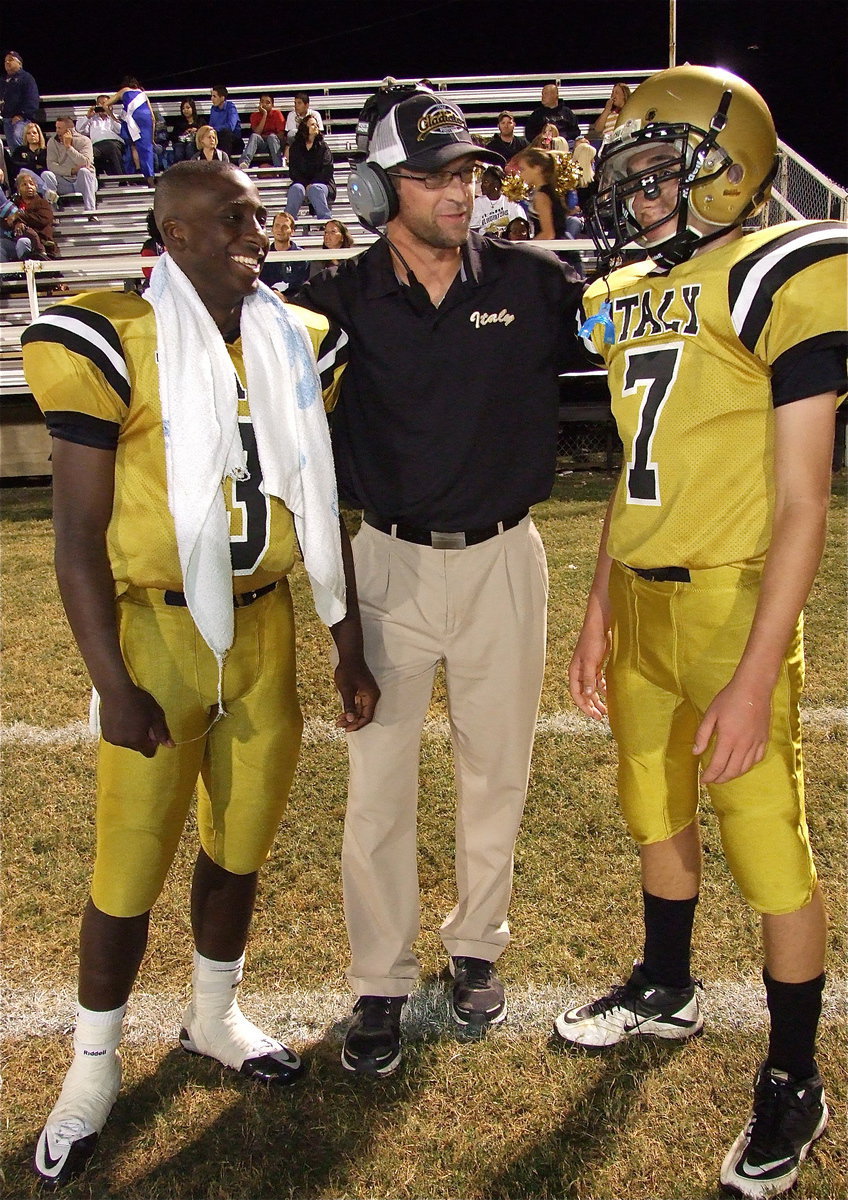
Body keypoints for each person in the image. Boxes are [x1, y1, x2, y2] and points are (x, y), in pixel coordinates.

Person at [22, 158, 379, 1190]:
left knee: (240, 850)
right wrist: (113, 679)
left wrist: (345, 640)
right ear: (172, 235)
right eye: (231, 219)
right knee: (126, 871)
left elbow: (317, 501)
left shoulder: (293, 336)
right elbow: (77, 537)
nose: (257, 232)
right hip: (159, 638)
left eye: (259, 214)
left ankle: (213, 1013)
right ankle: (92, 1069)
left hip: (265, 634)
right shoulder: (111, 338)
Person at [556, 64, 846, 1200]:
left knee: (764, 835)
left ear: (721, 170)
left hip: (731, 602)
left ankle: (793, 1075)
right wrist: (594, 608)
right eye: (622, 170)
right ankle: (664, 984)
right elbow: (636, 469)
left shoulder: (778, 272)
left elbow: (800, 501)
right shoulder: (626, 287)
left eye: (651, 166)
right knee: (648, 798)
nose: (629, 188)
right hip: (639, 594)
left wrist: (755, 665)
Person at [297, 85, 583, 1077]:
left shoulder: (536, 286)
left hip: (507, 555)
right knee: (377, 785)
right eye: (434, 175)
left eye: (466, 171)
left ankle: (474, 950)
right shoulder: (333, 301)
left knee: (494, 771)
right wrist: (339, 633)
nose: (460, 191)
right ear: (382, 189)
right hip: (387, 562)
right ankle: (379, 977)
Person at [46, 117, 99, 222]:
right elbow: (51, 165)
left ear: (69, 130)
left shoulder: (84, 141)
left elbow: (85, 163)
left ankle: (91, 212)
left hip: (84, 182)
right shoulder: (52, 142)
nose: (57, 131)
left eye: (59, 128)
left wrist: (69, 147)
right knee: (46, 175)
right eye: (56, 128)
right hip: (64, 182)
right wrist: (70, 171)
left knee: (84, 171)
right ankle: (53, 213)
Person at [106, 77, 156, 185]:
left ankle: (135, 172)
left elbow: (105, 105)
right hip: (145, 118)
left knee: (132, 146)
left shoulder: (123, 90)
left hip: (132, 119)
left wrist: (113, 117)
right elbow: (153, 117)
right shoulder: (142, 93)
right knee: (146, 148)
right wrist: (152, 138)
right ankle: (149, 176)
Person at [285, 115, 335, 222]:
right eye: (312, 124)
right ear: (304, 127)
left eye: (316, 124)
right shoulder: (296, 147)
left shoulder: (323, 147)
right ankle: (288, 221)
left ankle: (325, 220)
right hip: (302, 184)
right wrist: (306, 184)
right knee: (296, 188)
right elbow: (293, 172)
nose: (316, 126)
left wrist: (312, 184)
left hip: (323, 184)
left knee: (315, 189)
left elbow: (327, 170)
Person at [259, 210, 310, 297]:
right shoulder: (262, 255)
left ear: (292, 231)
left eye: (285, 227)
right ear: (272, 229)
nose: (280, 229)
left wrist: (286, 298)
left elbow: (301, 286)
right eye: (277, 225)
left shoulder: (302, 257)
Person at [76, 96, 125, 177]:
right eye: (101, 104)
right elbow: (79, 129)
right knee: (90, 154)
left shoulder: (116, 116)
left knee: (111, 146)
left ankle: (122, 179)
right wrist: (88, 116)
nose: (103, 106)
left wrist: (110, 114)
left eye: (106, 104)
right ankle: (95, 182)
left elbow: (119, 130)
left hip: (114, 143)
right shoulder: (91, 119)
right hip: (97, 145)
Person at [469, 164, 525, 236]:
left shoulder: (511, 203)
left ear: (496, 184)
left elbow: (521, 230)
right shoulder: (477, 204)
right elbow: (473, 231)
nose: (482, 185)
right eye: (482, 182)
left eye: (485, 182)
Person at [13, 170, 58, 256]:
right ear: (18, 189)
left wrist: (19, 217)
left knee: (23, 242)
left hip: (40, 242)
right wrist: (17, 223)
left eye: (31, 184)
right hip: (14, 240)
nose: (29, 186)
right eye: (24, 184)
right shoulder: (14, 204)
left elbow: (42, 220)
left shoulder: (43, 203)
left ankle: (25, 268)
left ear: (36, 187)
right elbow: (7, 220)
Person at [10, 121, 58, 200]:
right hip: (27, 180)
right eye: (28, 133)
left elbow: (49, 166)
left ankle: (50, 196)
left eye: (34, 133)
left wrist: (32, 166)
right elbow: (16, 165)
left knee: (47, 174)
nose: (32, 135)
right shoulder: (19, 150)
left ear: (39, 135)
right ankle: (49, 195)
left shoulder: (46, 151)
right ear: (25, 136)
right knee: (24, 170)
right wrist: (34, 166)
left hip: (44, 178)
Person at [1, 50, 40, 149]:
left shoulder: (26, 78)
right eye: (5, 61)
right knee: (13, 146)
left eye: (10, 60)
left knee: (18, 138)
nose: (7, 63)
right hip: (6, 119)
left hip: (22, 119)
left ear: (19, 63)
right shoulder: (3, 80)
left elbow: (32, 98)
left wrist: (22, 115)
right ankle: (17, 163)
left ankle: (26, 162)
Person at [239, 93, 285, 169]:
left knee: (272, 137)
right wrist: (264, 115)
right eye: (262, 102)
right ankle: (244, 163)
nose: (264, 104)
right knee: (254, 136)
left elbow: (281, 135)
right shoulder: (254, 115)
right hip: (261, 145)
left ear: (272, 105)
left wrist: (267, 137)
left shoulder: (277, 114)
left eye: (267, 102)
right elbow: (257, 133)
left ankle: (278, 166)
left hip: (274, 145)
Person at [208, 85, 242, 158]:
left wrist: (215, 129)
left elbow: (230, 127)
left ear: (222, 98)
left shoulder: (231, 107)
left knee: (226, 133)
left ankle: (225, 162)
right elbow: (211, 126)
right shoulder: (213, 109)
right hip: (219, 139)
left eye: (214, 96)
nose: (212, 99)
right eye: (211, 96)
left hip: (234, 142)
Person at [169, 98, 201, 164]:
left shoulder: (200, 121)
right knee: (179, 148)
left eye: (188, 108)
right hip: (181, 143)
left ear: (193, 108)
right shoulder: (179, 122)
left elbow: (204, 133)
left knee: (190, 147)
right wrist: (183, 134)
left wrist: (197, 131)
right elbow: (173, 136)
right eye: (183, 108)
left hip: (195, 144)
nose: (185, 110)